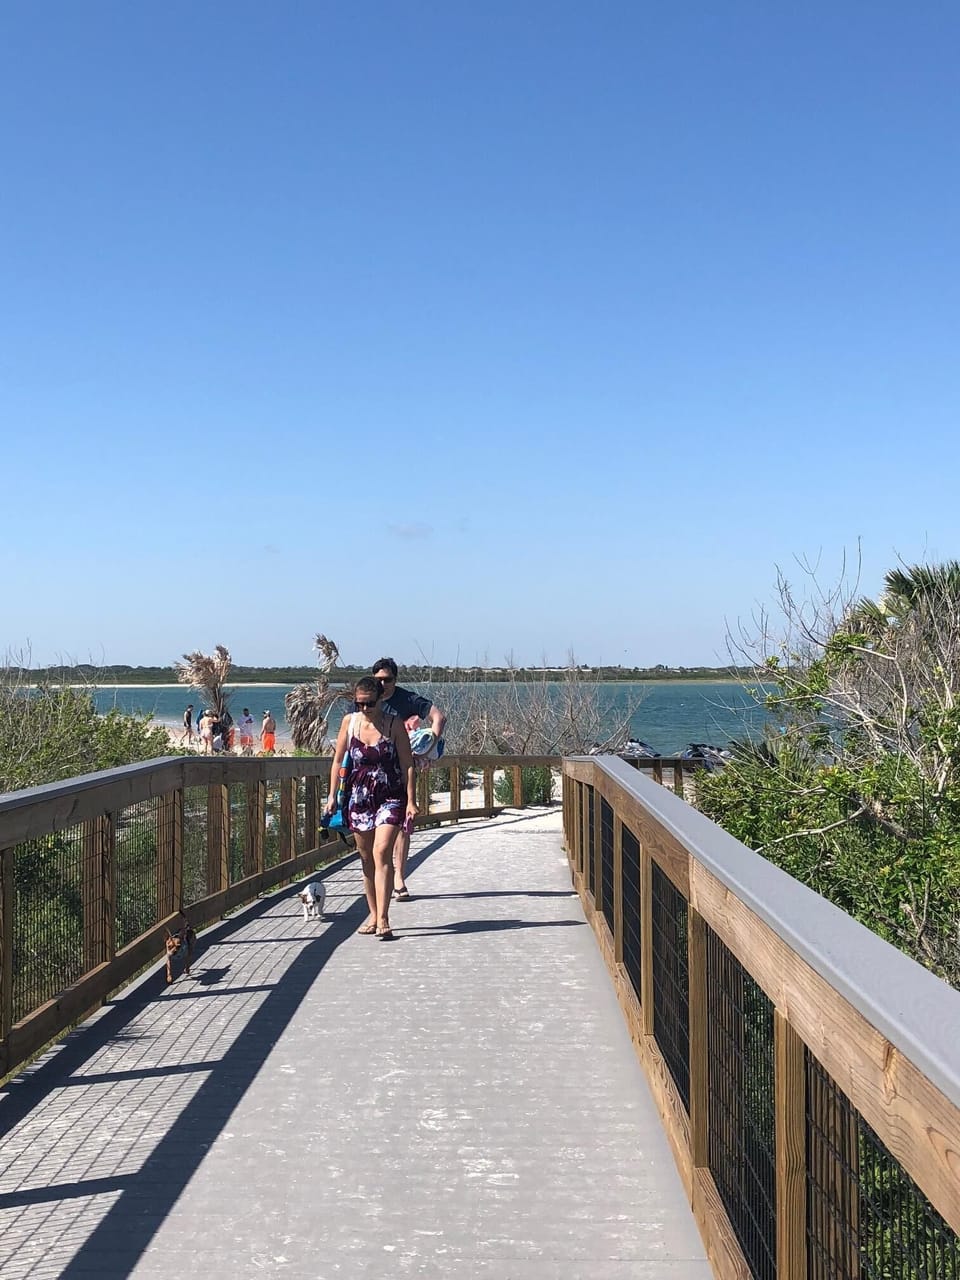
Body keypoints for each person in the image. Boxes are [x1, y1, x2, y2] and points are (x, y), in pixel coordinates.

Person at [325, 677, 417, 940]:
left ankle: (384, 918)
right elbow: (337, 761)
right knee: (366, 858)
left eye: (370, 703)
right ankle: (373, 914)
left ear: (380, 699)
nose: (365, 708)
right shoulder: (350, 723)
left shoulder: (394, 724)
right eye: (360, 703)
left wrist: (411, 800)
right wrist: (331, 795)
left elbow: (407, 764)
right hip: (359, 798)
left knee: (381, 851)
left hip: (391, 796)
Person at [372, 657, 446, 902]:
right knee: (374, 828)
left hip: (402, 771)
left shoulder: (407, 699)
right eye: (378, 680)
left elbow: (439, 717)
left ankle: (399, 878)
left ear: (395, 679)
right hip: (373, 771)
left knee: (402, 825)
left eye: (388, 680)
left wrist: (427, 750)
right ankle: (379, 877)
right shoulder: (368, 700)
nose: (383, 684)